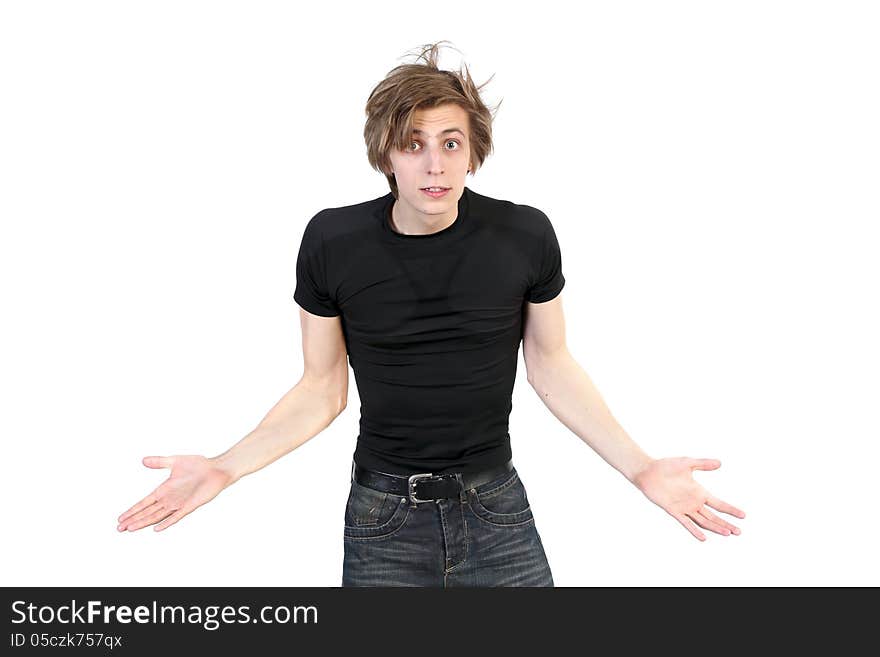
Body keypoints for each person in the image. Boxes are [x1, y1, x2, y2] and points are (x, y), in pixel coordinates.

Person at [117, 41, 745, 586]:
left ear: (474, 152)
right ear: (385, 153)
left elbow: (551, 364)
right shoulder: (333, 241)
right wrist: (225, 468)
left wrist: (640, 468)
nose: (434, 164)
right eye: (412, 144)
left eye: (450, 143)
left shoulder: (524, 234)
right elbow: (322, 388)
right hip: (381, 515)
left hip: (497, 506)